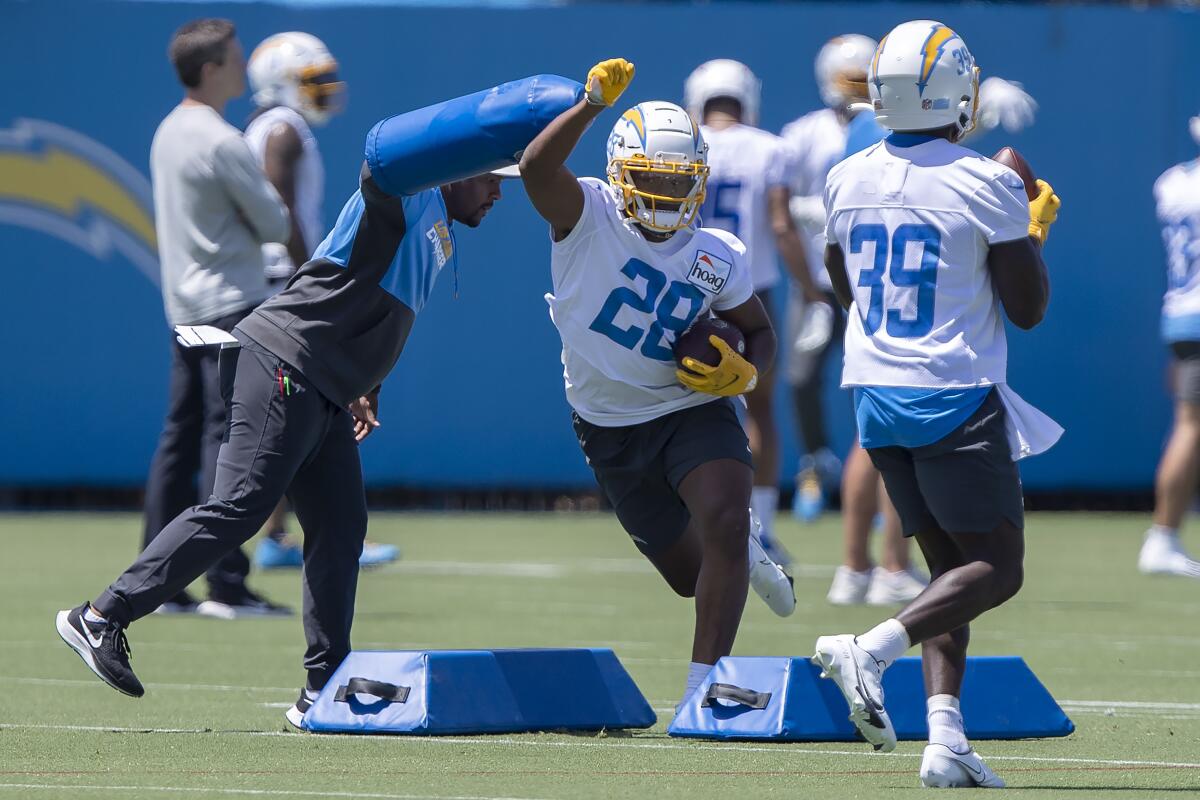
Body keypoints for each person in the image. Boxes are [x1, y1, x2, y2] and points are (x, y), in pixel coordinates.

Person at [55, 68, 531, 725]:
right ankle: (101, 614)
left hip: (328, 385)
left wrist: (368, 386)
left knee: (341, 527)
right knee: (241, 504)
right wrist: (468, 129)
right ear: (453, 172)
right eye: (490, 179)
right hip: (284, 361)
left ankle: (324, 687)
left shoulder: (437, 231)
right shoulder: (406, 197)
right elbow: (383, 156)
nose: (500, 195)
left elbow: (383, 308)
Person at [810, 20, 1062, 788]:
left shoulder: (845, 176)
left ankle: (944, 737)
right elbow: (1027, 308)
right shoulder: (983, 181)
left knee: (948, 571)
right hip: (950, 393)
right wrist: (1030, 229)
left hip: (875, 397)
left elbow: (841, 286)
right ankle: (873, 649)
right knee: (998, 567)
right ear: (955, 91)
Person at [518, 58, 792, 713]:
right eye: (650, 180)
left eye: (680, 183)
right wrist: (588, 105)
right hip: (608, 423)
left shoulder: (717, 252)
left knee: (725, 520)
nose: (666, 197)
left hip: (690, 407)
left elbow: (761, 331)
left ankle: (705, 693)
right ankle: (743, 552)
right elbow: (533, 170)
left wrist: (747, 372)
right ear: (619, 175)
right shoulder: (587, 215)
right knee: (692, 576)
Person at [138, 18, 291, 619]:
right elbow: (275, 224)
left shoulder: (168, 131)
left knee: (181, 436)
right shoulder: (220, 139)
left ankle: (163, 584)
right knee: (228, 438)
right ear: (210, 70)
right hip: (231, 303)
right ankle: (225, 582)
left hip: (183, 306)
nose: (243, 65)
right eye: (233, 57)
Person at [243, 31, 398, 571]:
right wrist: (312, 282)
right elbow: (280, 211)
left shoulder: (275, 126)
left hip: (273, 285)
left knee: (297, 420)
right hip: (281, 286)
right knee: (302, 417)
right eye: (312, 80)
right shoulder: (282, 130)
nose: (325, 90)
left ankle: (286, 533)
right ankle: (303, 532)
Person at [682, 59, 818, 569]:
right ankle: (759, 528)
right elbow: (782, 226)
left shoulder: (686, 142)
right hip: (750, 294)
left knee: (682, 413)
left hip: (689, 289)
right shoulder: (770, 149)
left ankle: (701, 526)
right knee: (759, 410)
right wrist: (810, 287)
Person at [1140, 117, 1200, 579]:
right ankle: (1162, 536)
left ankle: (1164, 536)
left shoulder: (1172, 183)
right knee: (1191, 426)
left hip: (1180, 314)